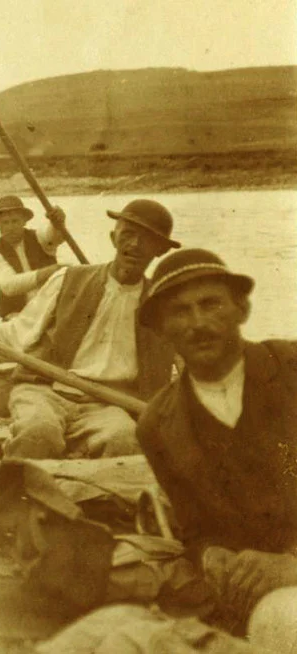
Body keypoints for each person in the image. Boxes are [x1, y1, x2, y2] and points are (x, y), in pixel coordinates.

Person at [0, 199, 180, 459]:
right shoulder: (68, 280)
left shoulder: (164, 307)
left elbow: (191, 370)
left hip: (109, 405)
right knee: (38, 434)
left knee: (123, 442)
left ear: (160, 250)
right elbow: (14, 336)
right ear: (113, 238)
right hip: (45, 391)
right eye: (127, 235)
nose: (134, 245)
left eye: (147, 239)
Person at [134, 248, 297, 633]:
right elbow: (194, 530)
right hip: (248, 592)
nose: (198, 323)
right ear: (161, 330)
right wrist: (212, 556)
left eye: (211, 305)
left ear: (241, 310)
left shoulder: (290, 369)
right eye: (179, 311)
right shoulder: (156, 424)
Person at [0, 195, 67, 320]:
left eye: (15, 221)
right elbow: (9, 286)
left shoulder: (39, 237)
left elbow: (55, 236)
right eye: (5, 223)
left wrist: (58, 221)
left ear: (24, 221)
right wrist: (50, 271)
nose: (11, 227)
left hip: (50, 308)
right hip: (17, 315)